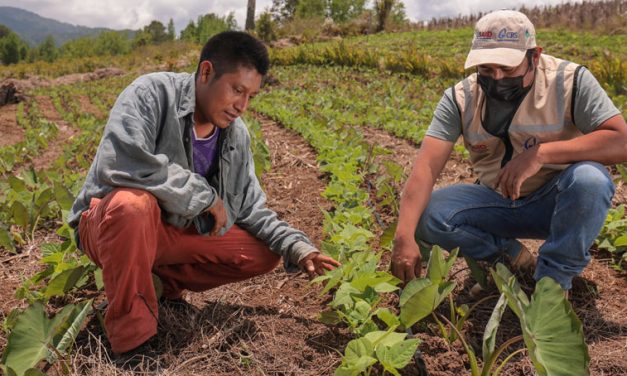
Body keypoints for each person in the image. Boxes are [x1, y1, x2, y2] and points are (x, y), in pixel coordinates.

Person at [68, 31, 339, 355]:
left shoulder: (235, 136)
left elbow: (252, 208)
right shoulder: (151, 93)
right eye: (237, 90)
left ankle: (165, 287)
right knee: (133, 206)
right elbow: (124, 165)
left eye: (251, 95)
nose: (242, 106)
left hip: (168, 234)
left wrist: (299, 248)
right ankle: (132, 341)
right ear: (207, 72)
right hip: (109, 226)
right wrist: (205, 197)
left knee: (263, 252)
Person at [391, 10, 627, 293]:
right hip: (495, 201)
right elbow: (426, 169)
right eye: (487, 70)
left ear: (534, 56)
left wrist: (542, 153)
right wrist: (404, 236)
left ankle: (552, 283)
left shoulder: (570, 81)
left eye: (509, 68)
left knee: (591, 180)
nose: (498, 78)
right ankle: (510, 258)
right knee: (428, 212)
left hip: (557, 202)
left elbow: (621, 141)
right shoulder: (459, 98)